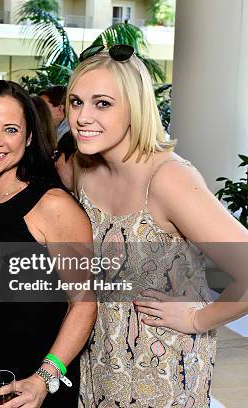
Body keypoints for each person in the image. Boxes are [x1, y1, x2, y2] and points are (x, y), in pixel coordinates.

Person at [67, 45, 248, 407]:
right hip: (101, 359)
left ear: (134, 107)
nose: (83, 117)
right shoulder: (83, 166)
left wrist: (200, 319)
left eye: (102, 103)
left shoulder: (169, 178)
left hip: (164, 367)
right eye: (76, 102)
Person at [0, 80, 97, 407]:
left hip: (31, 386)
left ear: (29, 136)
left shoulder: (53, 207)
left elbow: (85, 304)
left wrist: (44, 379)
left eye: (10, 129)